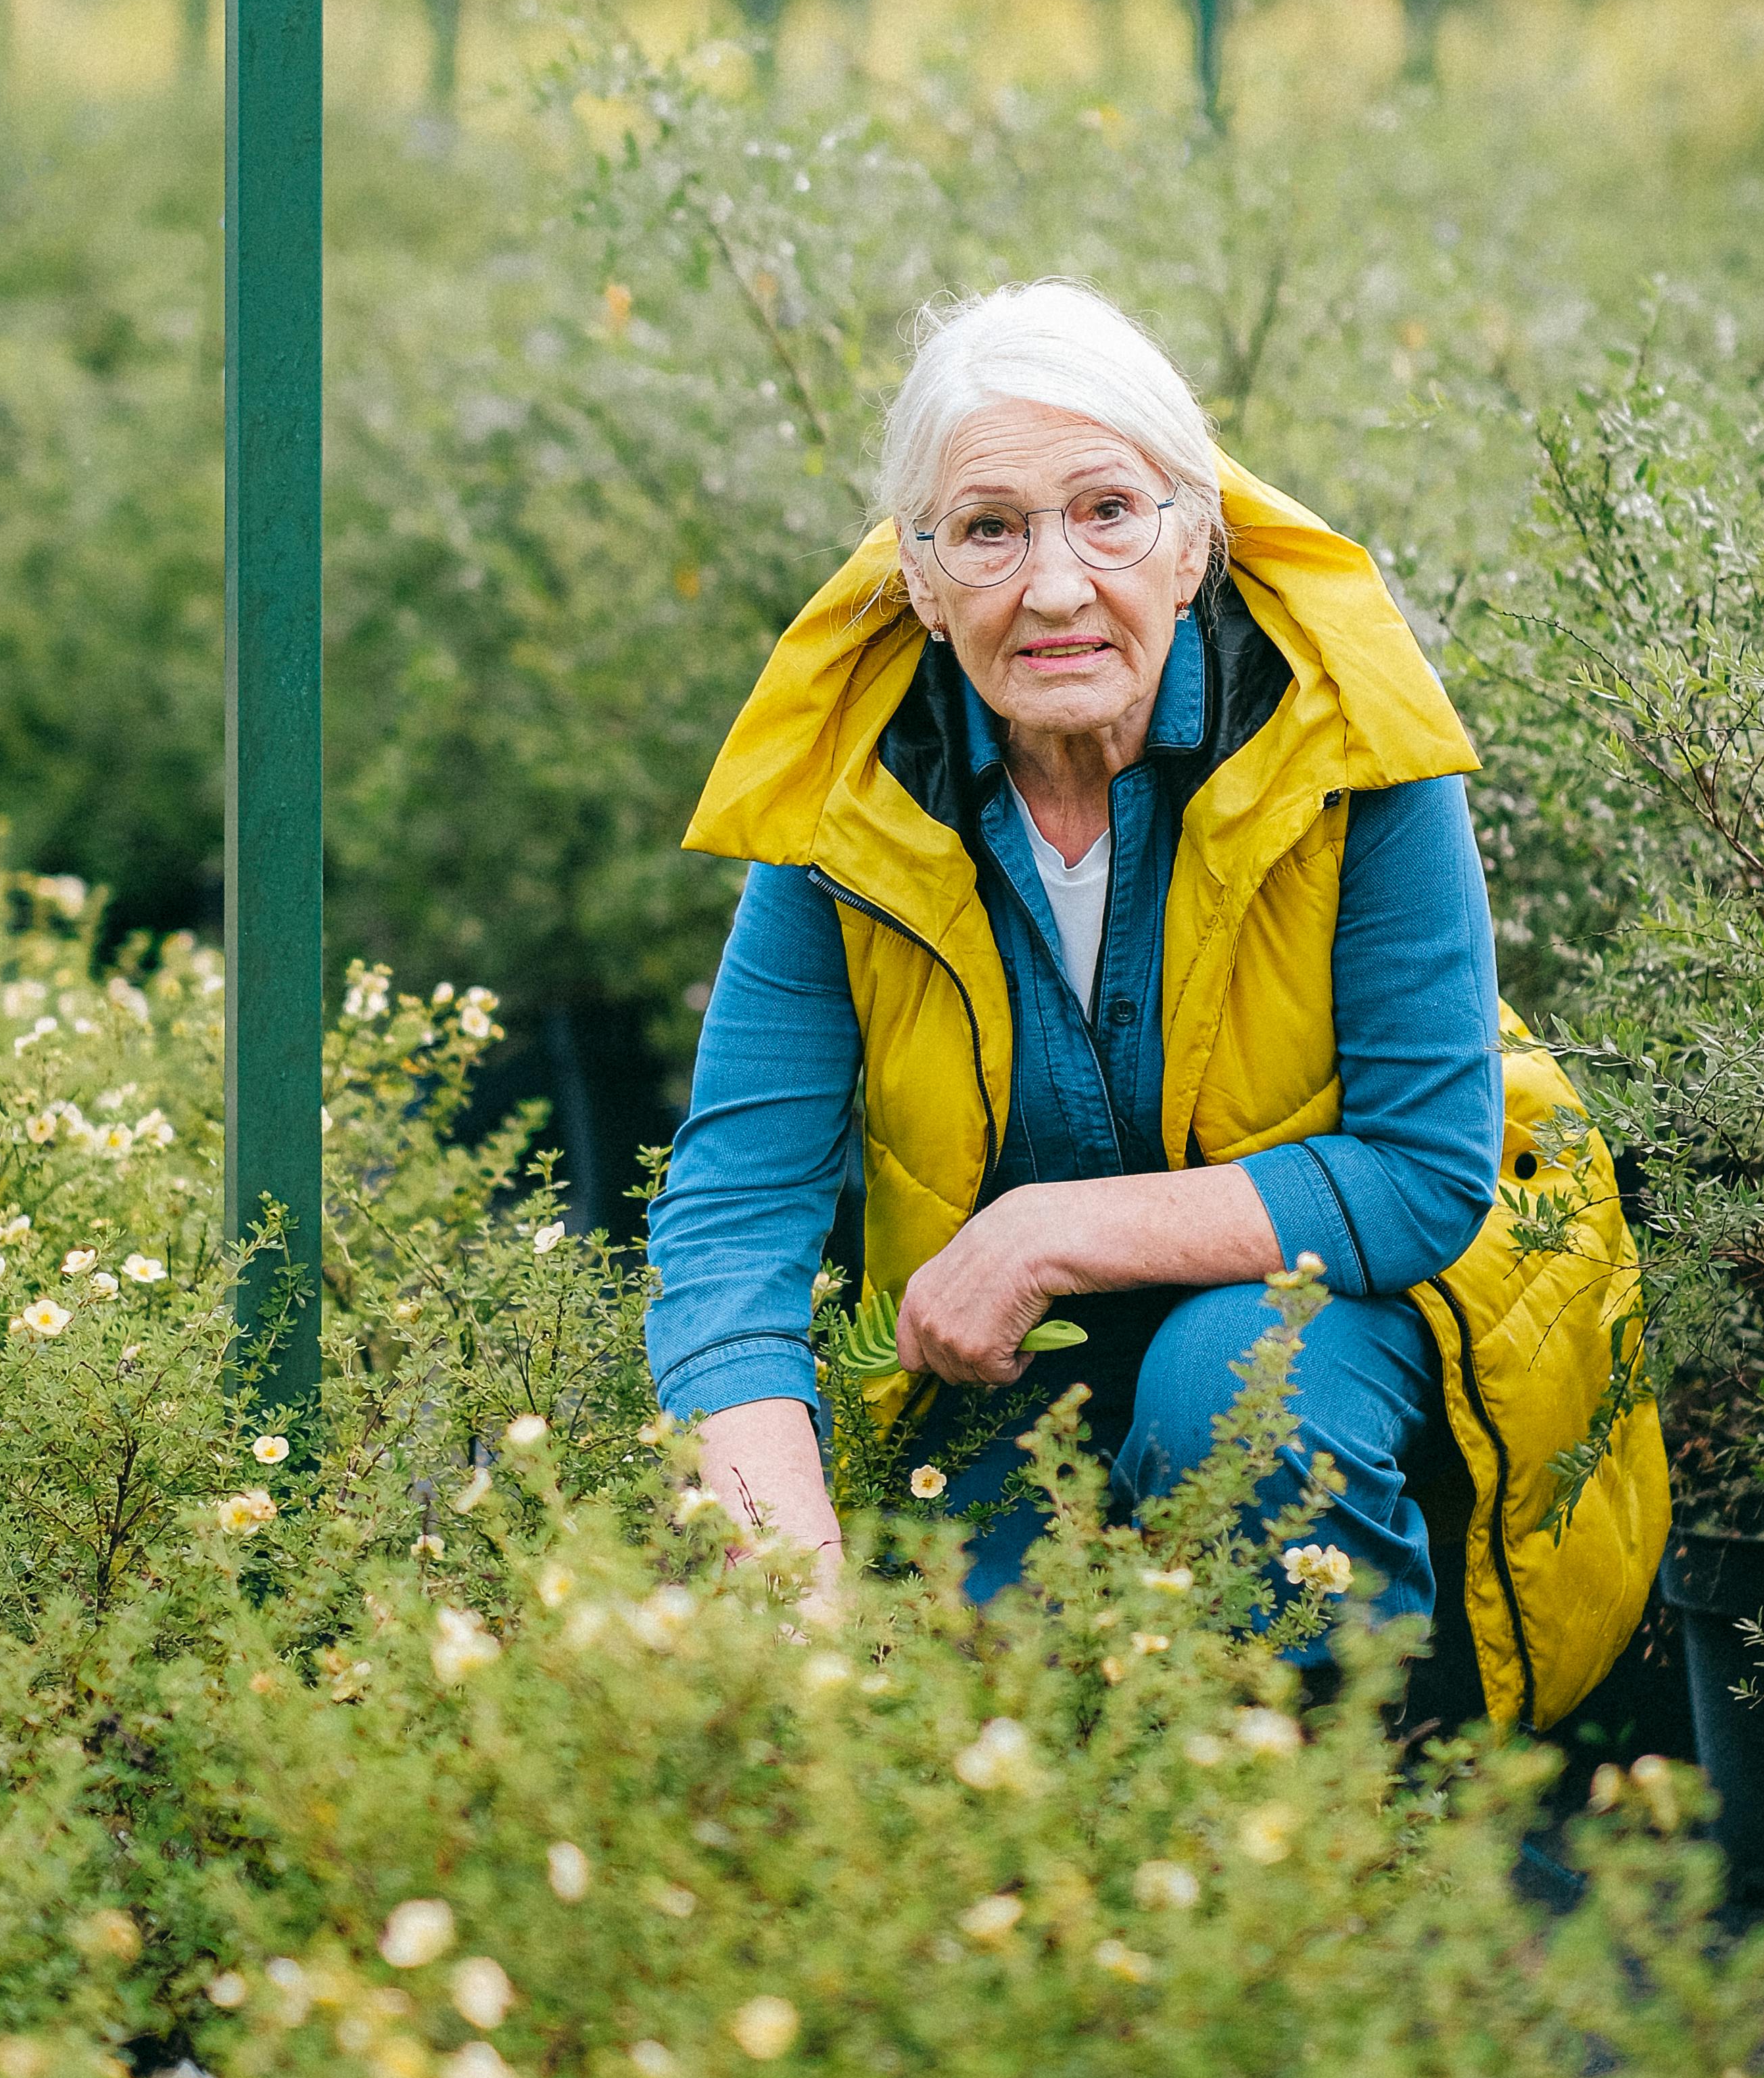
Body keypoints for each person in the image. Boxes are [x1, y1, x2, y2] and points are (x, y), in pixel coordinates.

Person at [645, 279, 1666, 1726]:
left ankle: (1349, 1807)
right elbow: (733, 1220)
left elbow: (1422, 1172)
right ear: (919, 582)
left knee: (1229, 1392)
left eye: (1108, 512)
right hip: (1021, 1360)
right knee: (966, 1713)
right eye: (988, 530)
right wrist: (787, 1587)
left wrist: (1044, 1230)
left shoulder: (1343, 738)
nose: (1054, 586)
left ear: (1192, 541)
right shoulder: (850, 798)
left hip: (1355, 1305)